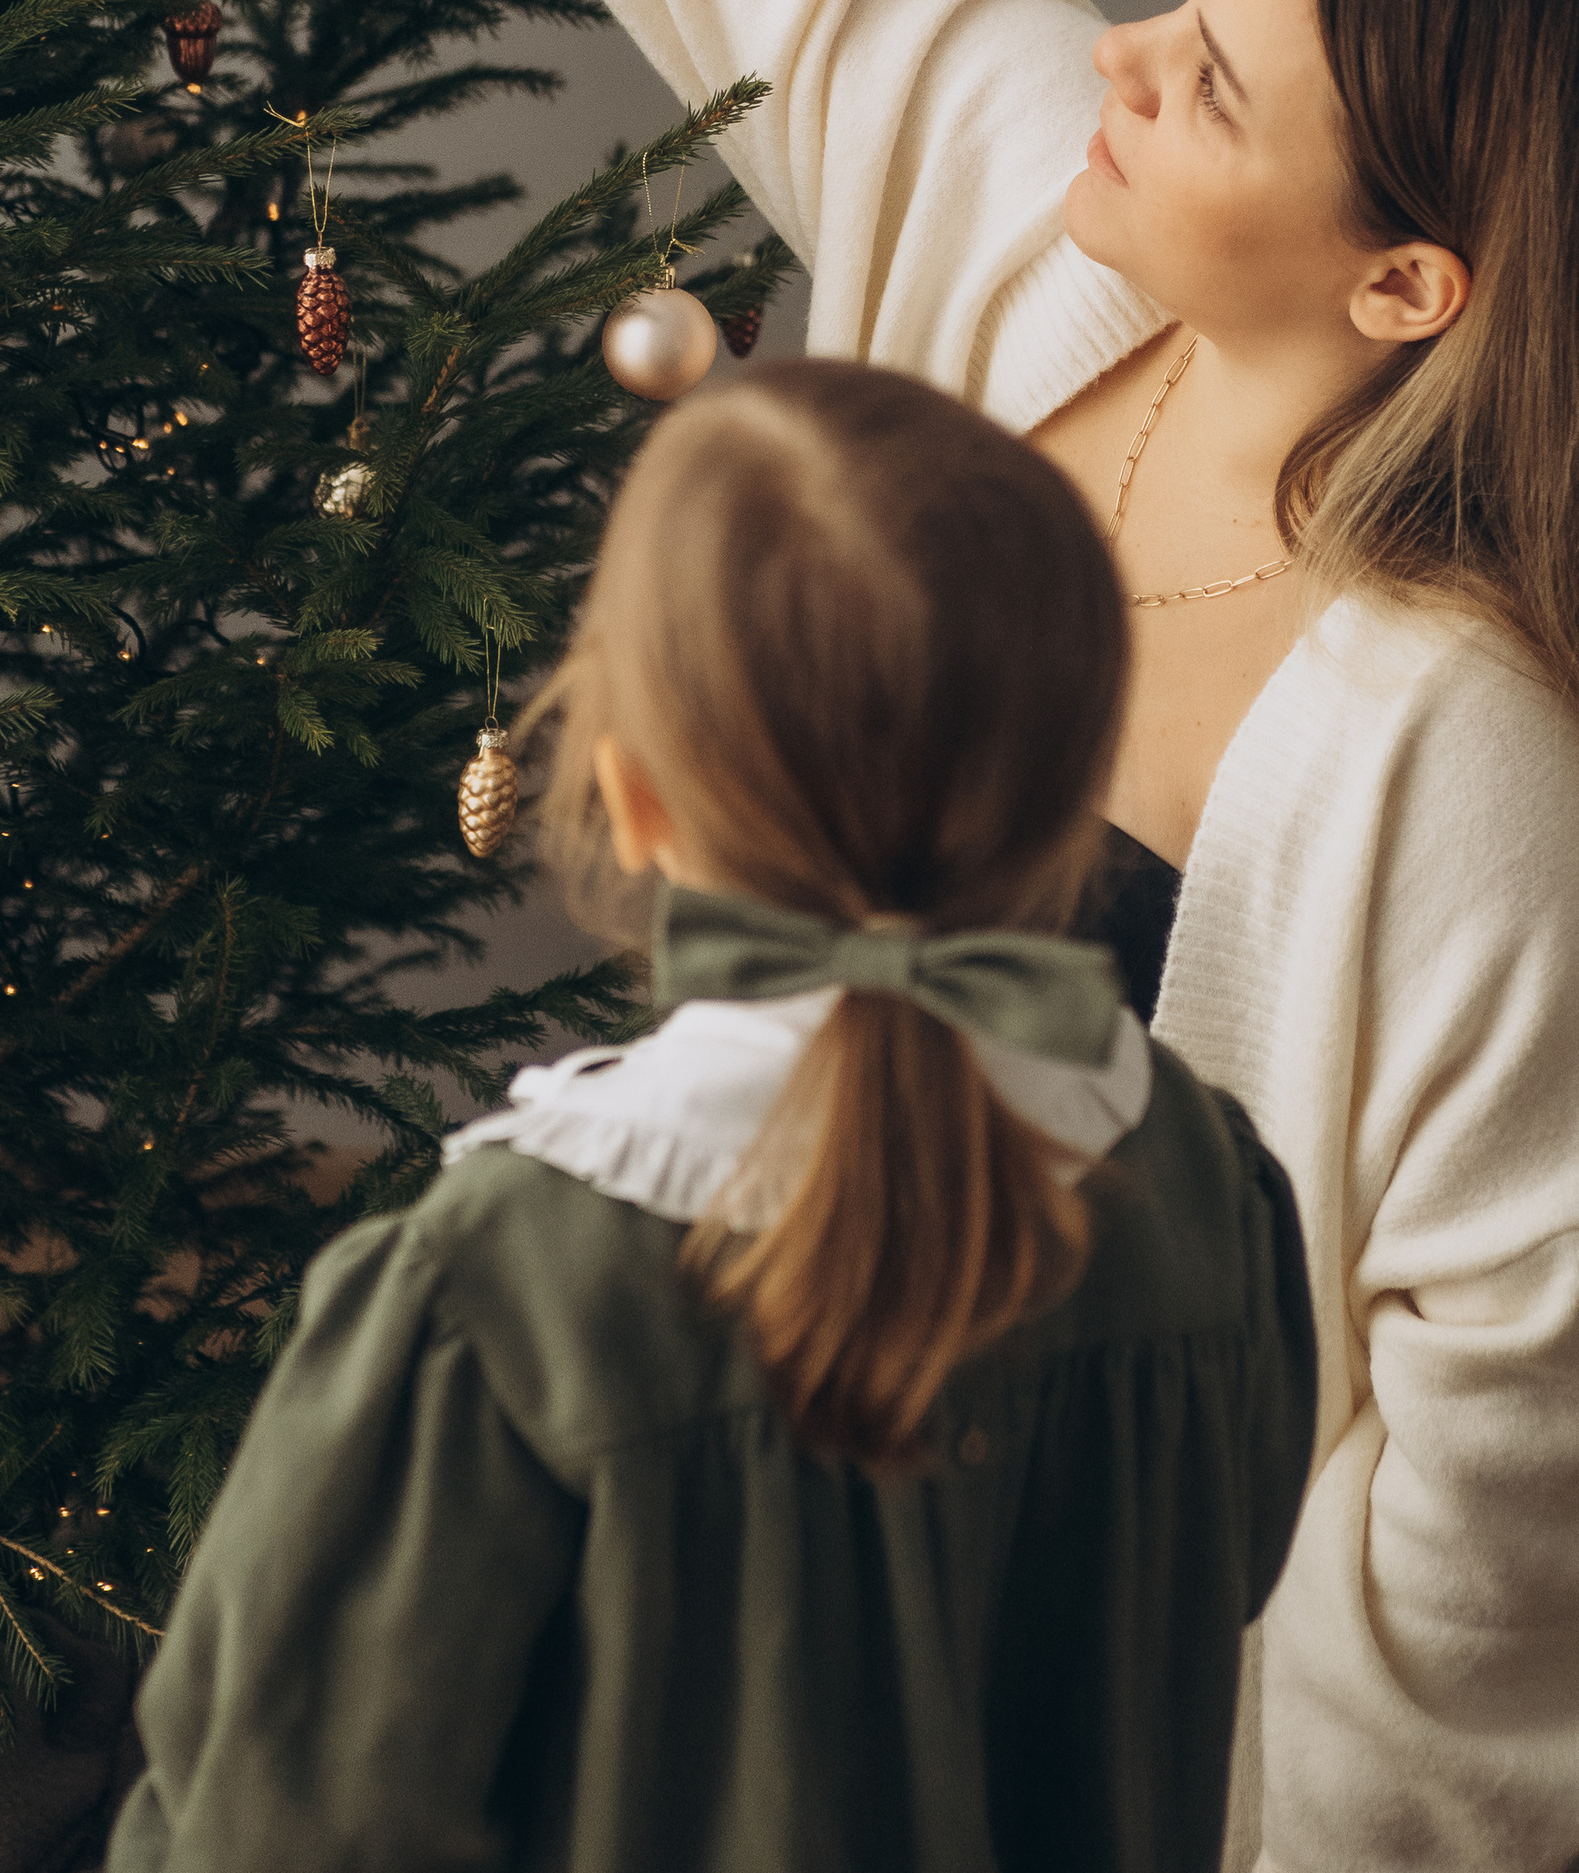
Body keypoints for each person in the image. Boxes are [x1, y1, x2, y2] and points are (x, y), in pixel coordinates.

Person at [163, 0, 1579, 1873]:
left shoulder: (1487, 785)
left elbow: (1526, 1541)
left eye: (1214, 82)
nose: (1123, 56)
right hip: (771, 1654)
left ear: (1409, 277)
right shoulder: (1058, 278)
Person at [110, 362, 1317, 1873]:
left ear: (635, 791)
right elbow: (1229, 1570)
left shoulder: (496, 1290)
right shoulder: (1206, 1188)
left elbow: (279, 1827)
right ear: (1073, 781)